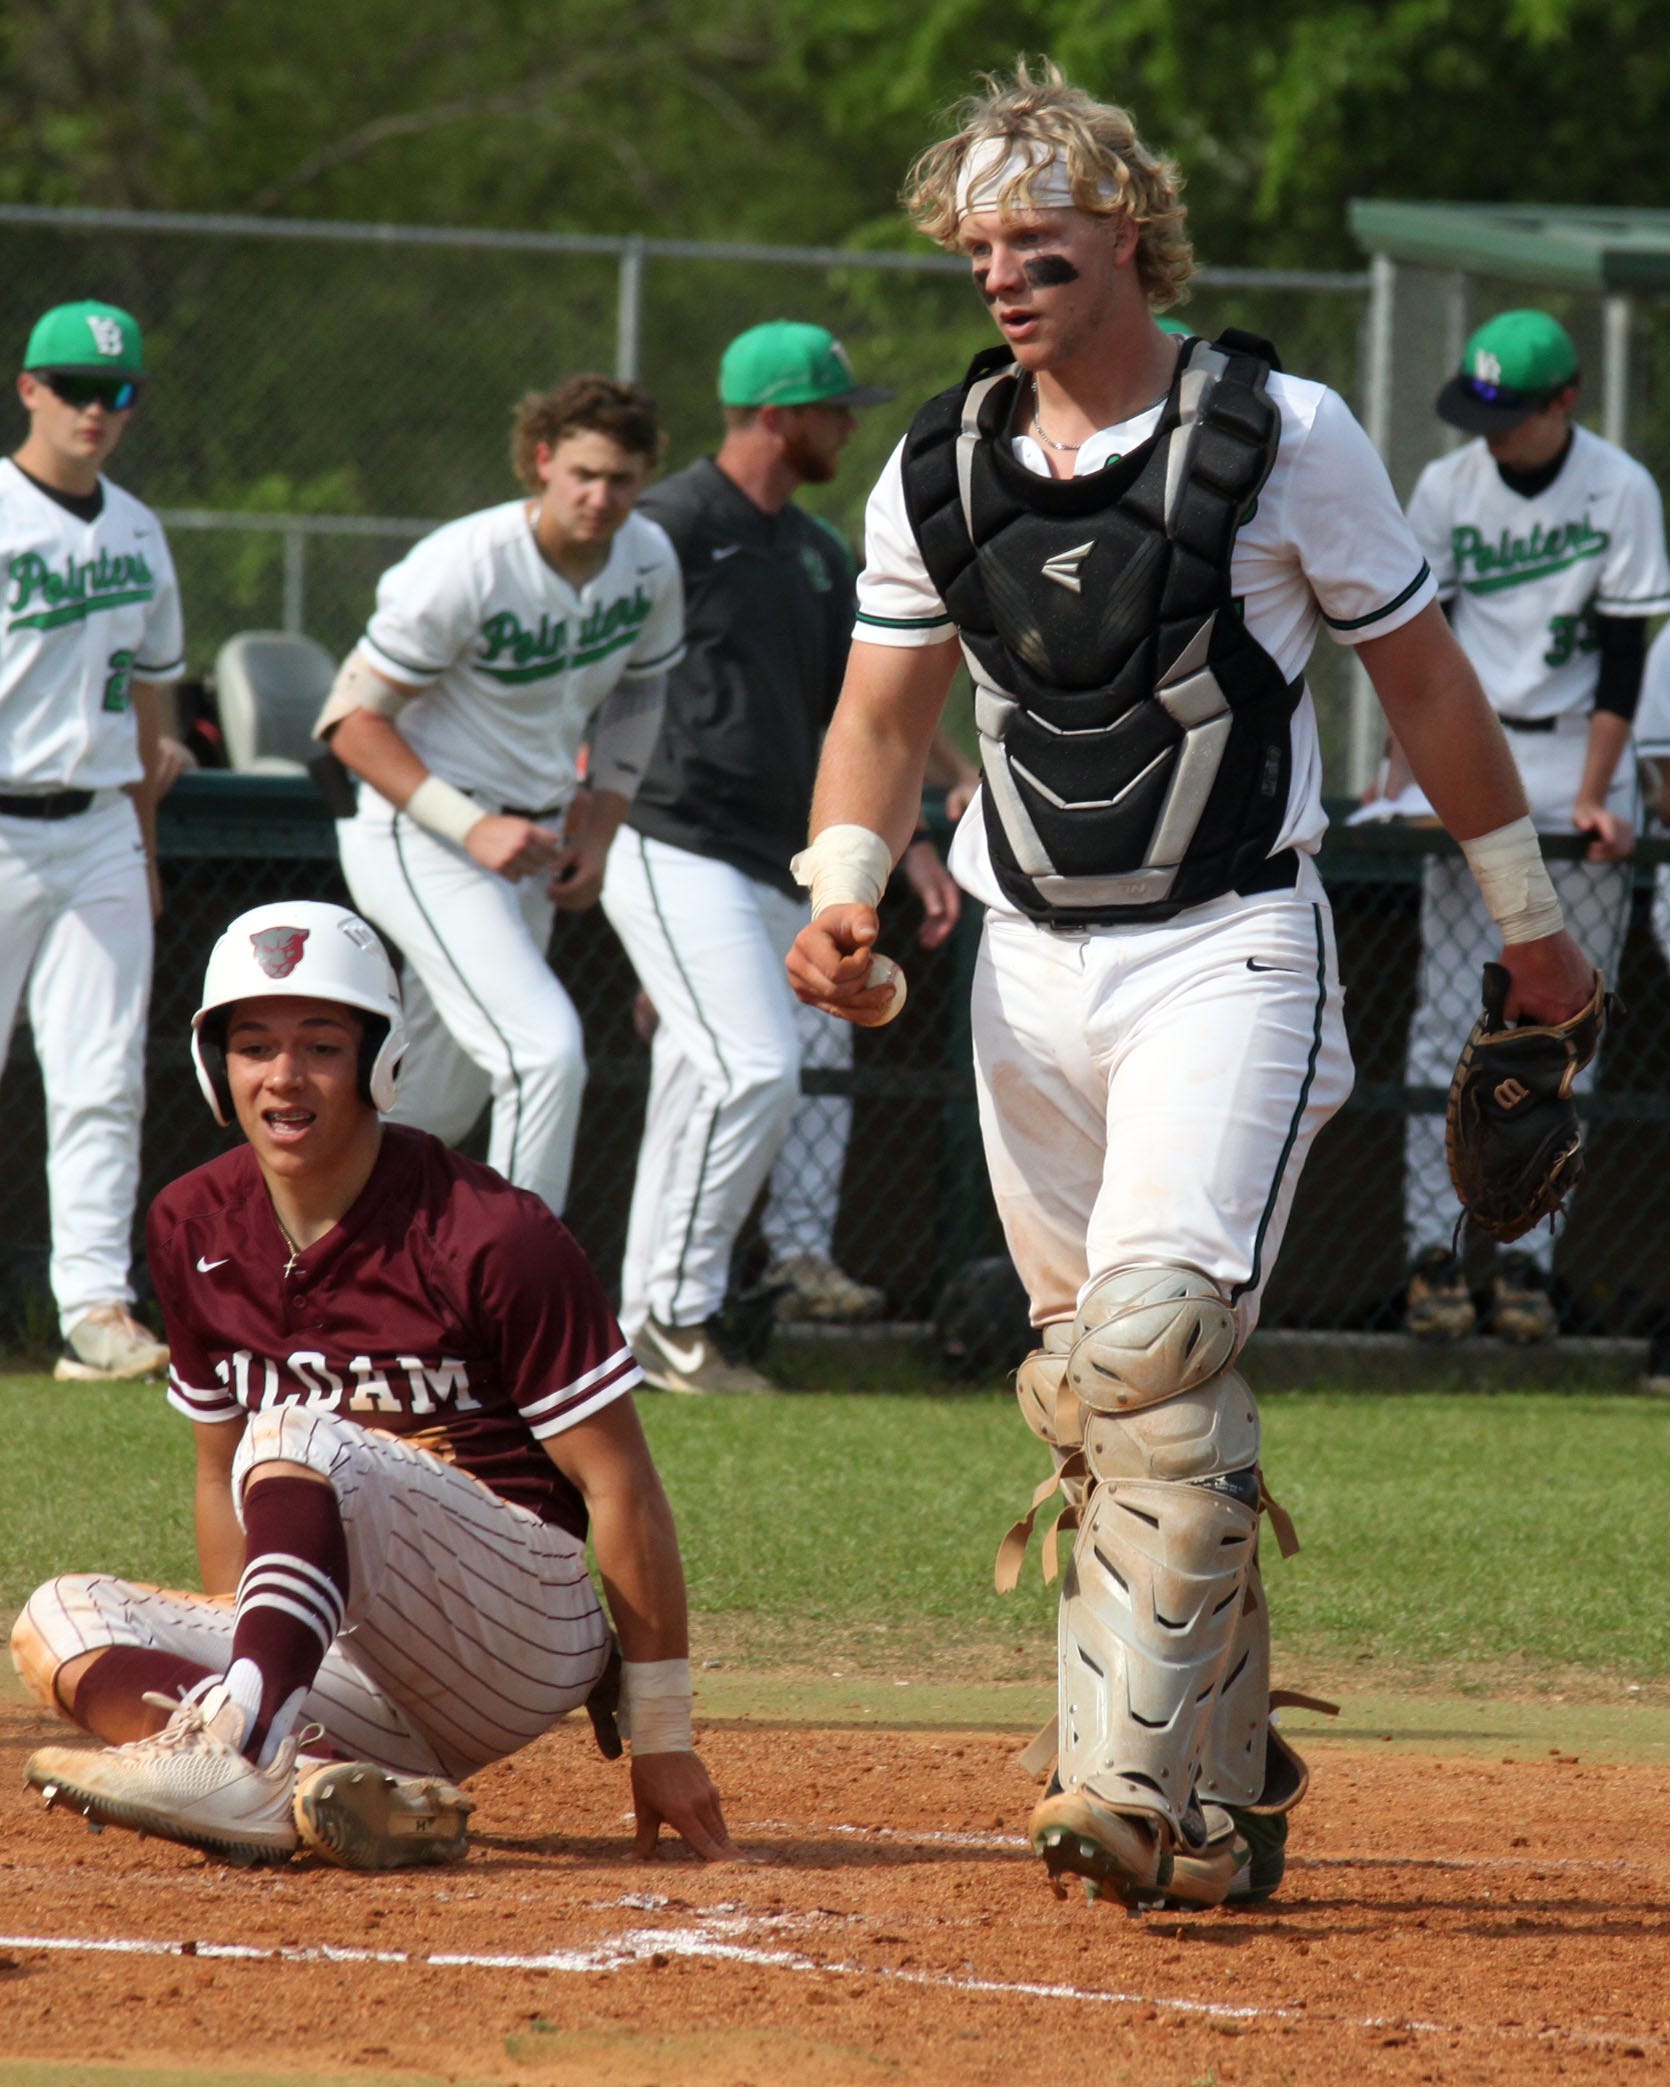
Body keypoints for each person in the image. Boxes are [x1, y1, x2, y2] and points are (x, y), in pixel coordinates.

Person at [785, 62, 1598, 1911]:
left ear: (1129, 234)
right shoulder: (941, 459)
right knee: (1095, 1388)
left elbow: (1427, 686)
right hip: (1022, 957)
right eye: (980, 249)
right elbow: (878, 721)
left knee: (1155, 1331)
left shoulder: (1282, 427)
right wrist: (841, 883)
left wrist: (1525, 915)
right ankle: (1226, 1794)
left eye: (1040, 244)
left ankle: (1128, 1783)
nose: (1004, 277)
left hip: (1226, 937)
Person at [12, 900, 740, 1871]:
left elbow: (621, 1486)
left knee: (296, 1434)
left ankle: (240, 1753)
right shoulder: (192, 1220)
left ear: (380, 1061)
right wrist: (256, 1657)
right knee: (55, 1617)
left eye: (320, 1044)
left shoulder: (489, 1230)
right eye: (254, 1043)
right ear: (215, 1066)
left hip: (519, 1623)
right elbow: (213, 1468)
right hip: (351, 1652)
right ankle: (316, 1774)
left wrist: (663, 1736)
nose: (283, 1074)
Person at [600, 321, 966, 1393]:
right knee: (752, 1065)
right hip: (672, 833)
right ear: (774, 415)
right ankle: (674, 1320)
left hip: (773, 853)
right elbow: (602, 674)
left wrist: (934, 807)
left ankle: (639, 1329)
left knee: (705, 1076)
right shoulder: (668, 524)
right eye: (830, 408)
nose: (848, 424)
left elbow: (869, 702)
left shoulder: (810, 550)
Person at [322, 376, 683, 1218]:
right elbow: (347, 722)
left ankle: (320, 1273)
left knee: (429, 1108)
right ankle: (520, 1309)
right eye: (584, 473)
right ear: (543, 461)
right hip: (424, 833)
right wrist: (470, 825)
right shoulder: (465, 563)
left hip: (531, 842)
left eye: (623, 478)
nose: (602, 496)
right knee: (543, 1053)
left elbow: (639, 694)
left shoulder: (648, 558)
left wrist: (600, 828)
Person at [1388, 311, 1670, 1343]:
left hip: (1568, 754)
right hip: (1471, 745)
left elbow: (1623, 656)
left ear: (1565, 401)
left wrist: (1599, 792)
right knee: (1442, 1023)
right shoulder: (1446, 486)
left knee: (1562, 1027)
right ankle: (1432, 1253)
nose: (1489, 431)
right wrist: (1406, 778)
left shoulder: (1617, 486)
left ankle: (1525, 1268)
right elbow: (1414, 650)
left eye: (1511, 413)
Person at [0, 298, 185, 1381]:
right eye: (72, 387)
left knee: (102, 1073)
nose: (94, 410)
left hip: (102, 827)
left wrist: (147, 848)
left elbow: (154, 699)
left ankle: (95, 1309)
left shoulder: (138, 527)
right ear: (28, 388)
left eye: (115, 392)